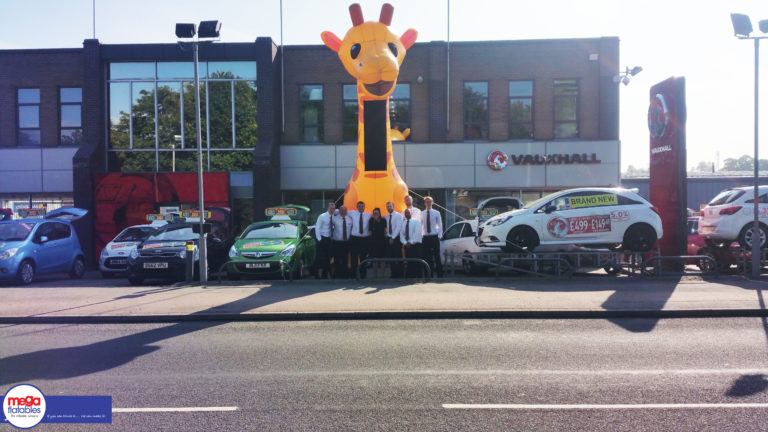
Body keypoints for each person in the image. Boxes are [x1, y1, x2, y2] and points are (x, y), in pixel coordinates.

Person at [421, 196, 444, 278]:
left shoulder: (436, 213)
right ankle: (428, 275)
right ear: (424, 203)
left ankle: (440, 275)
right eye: (426, 202)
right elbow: (421, 225)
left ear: (432, 203)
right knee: (427, 257)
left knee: (437, 256)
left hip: (434, 237)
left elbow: (440, 225)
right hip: (426, 237)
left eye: (429, 201)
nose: (428, 203)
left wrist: (439, 235)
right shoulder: (422, 213)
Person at [348, 201, 372, 279]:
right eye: (359, 206)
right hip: (355, 239)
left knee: (363, 258)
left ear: (364, 207)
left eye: (362, 206)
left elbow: (378, 216)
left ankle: (363, 276)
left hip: (365, 239)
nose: (361, 208)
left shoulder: (369, 214)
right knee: (354, 258)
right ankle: (353, 275)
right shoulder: (352, 213)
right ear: (357, 207)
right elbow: (341, 211)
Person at [399, 208, 423, 278]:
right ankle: (410, 277)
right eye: (405, 213)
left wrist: (411, 242)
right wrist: (405, 243)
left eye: (408, 212)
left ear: (411, 213)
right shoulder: (403, 223)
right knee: (409, 262)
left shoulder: (416, 222)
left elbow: (417, 233)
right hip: (407, 246)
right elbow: (402, 234)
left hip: (416, 245)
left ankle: (419, 278)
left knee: (417, 262)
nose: (407, 214)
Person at [331, 205, 353, 279]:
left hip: (346, 243)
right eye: (341, 210)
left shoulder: (350, 219)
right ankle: (337, 275)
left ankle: (345, 275)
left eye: (344, 210)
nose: (343, 212)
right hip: (337, 242)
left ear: (347, 211)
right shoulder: (335, 219)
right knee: (336, 259)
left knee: (345, 259)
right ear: (339, 211)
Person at [314, 201, 335, 279]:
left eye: (333, 208)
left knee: (328, 258)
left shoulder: (334, 215)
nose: (332, 210)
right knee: (319, 258)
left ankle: (324, 275)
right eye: (331, 208)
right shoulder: (322, 216)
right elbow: (317, 228)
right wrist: (319, 239)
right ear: (328, 208)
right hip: (322, 239)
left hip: (329, 239)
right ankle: (316, 274)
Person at [384, 201, 404, 278]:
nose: (389, 208)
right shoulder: (386, 216)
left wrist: (393, 237)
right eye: (387, 206)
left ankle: (400, 274)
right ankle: (393, 274)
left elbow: (398, 228)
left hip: (396, 239)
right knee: (391, 257)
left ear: (393, 206)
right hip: (389, 238)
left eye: (390, 206)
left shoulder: (398, 215)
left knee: (398, 256)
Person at [368, 207, 388, 278]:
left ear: (380, 214)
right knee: (375, 260)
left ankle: (382, 276)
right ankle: (375, 276)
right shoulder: (371, 220)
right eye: (374, 213)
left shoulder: (383, 220)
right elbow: (370, 231)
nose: (376, 214)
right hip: (374, 243)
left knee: (382, 260)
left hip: (382, 242)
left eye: (377, 213)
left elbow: (385, 231)